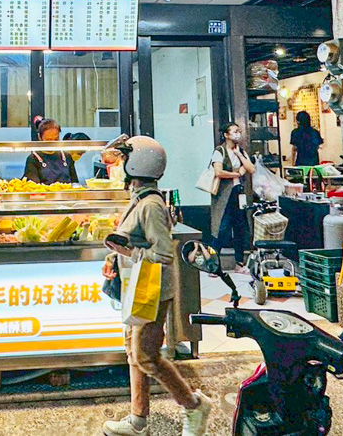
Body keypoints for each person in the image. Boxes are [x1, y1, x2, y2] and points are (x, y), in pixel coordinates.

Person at [102, 136, 212, 436]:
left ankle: (193, 405)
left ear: (137, 164)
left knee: (147, 356)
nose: (119, 166)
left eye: (124, 160)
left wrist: (127, 252)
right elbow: (133, 239)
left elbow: (163, 252)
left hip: (151, 292)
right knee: (133, 351)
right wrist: (115, 255)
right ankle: (138, 419)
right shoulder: (140, 198)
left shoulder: (151, 205)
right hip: (136, 288)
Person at [210, 122, 255, 274]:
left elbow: (251, 169)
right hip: (224, 196)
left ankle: (239, 263)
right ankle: (213, 265)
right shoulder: (219, 151)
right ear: (226, 135)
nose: (238, 134)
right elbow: (218, 172)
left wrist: (240, 155)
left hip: (238, 193)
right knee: (221, 229)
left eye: (239, 131)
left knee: (240, 227)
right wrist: (236, 173)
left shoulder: (240, 150)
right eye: (234, 131)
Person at [23, 117, 78, 184]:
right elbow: (33, 187)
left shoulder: (66, 156)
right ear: (40, 137)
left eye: (56, 139)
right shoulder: (33, 159)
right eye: (48, 140)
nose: (53, 143)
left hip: (66, 194)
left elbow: (75, 183)